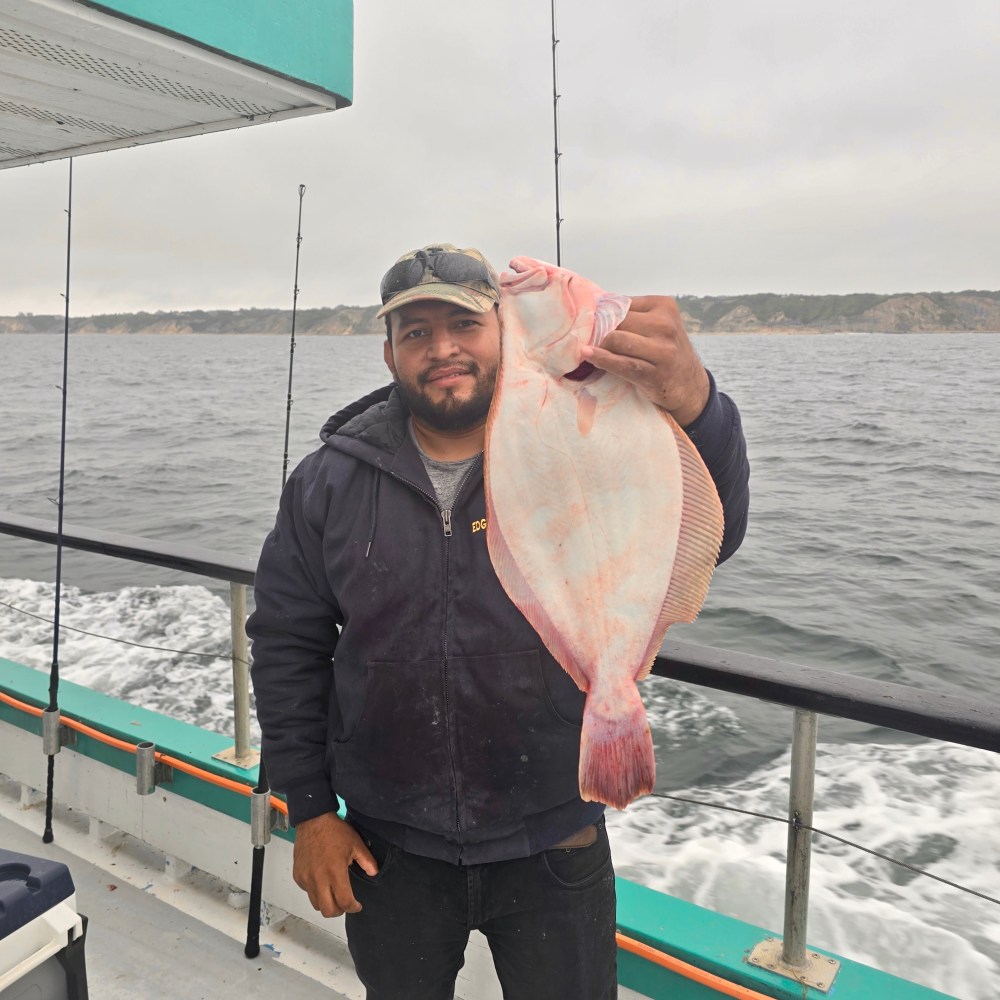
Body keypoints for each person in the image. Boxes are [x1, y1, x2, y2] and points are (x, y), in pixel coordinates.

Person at [247, 243, 750, 1000]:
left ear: (506, 332)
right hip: (389, 845)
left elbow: (717, 526)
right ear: (389, 355)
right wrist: (311, 811)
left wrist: (697, 403)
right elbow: (288, 644)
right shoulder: (328, 481)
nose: (442, 348)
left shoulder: (577, 431)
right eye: (415, 333)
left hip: (555, 838)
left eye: (463, 323)